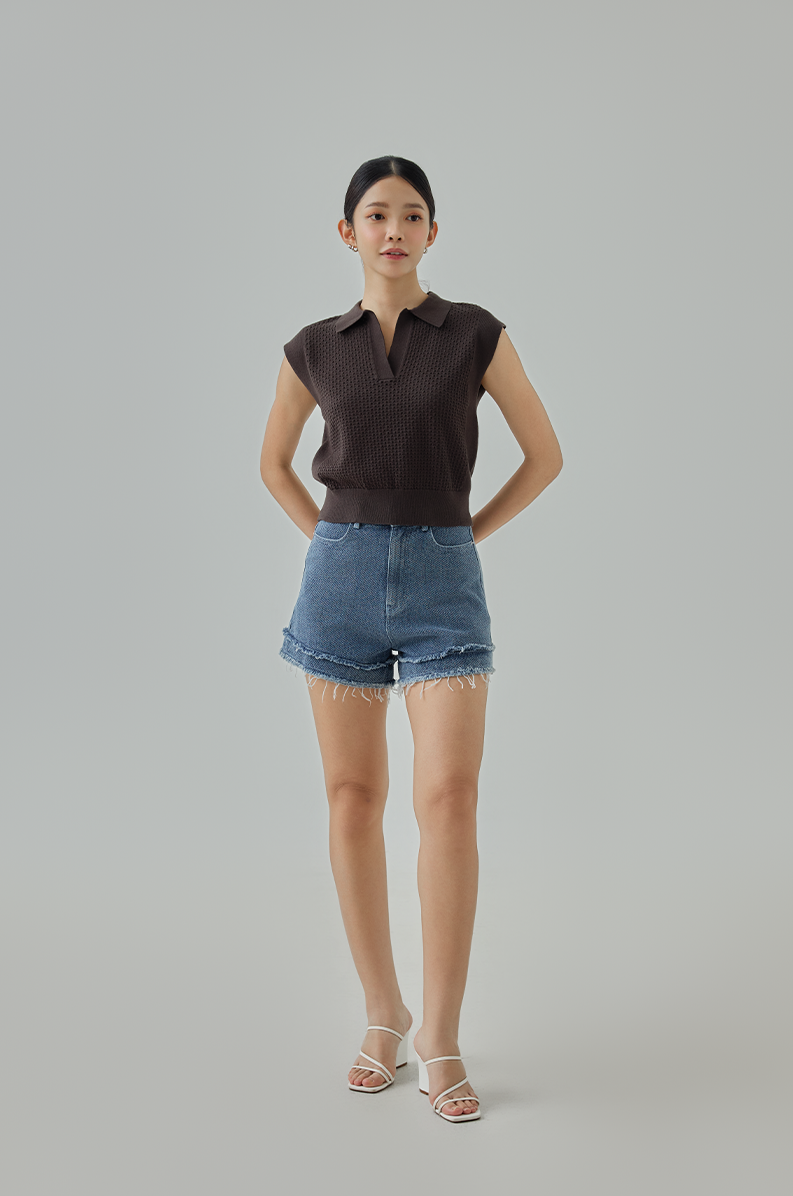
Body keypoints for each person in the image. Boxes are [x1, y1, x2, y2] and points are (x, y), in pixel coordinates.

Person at [260, 155, 562, 1122]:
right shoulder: (314, 346)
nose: (395, 230)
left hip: (444, 582)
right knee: (353, 799)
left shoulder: (474, 334)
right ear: (346, 231)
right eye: (377, 214)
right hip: (338, 581)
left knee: (450, 800)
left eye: (413, 214)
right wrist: (331, 544)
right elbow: (273, 465)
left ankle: (440, 1033)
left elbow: (546, 455)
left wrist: (463, 537)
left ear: (434, 231)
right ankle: (381, 1012)